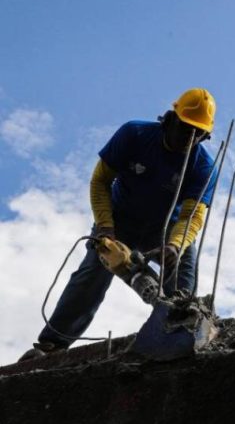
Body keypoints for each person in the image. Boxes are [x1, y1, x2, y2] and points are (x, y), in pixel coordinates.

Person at [20, 88, 219, 360]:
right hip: (119, 220)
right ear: (170, 119)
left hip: (166, 231)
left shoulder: (203, 166)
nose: (191, 138)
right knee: (92, 274)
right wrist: (104, 227)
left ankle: (177, 342)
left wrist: (175, 246)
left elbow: (191, 216)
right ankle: (51, 345)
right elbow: (100, 180)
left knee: (183, 287)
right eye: (186, 129)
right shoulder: (135, 135)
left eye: (199, 134)